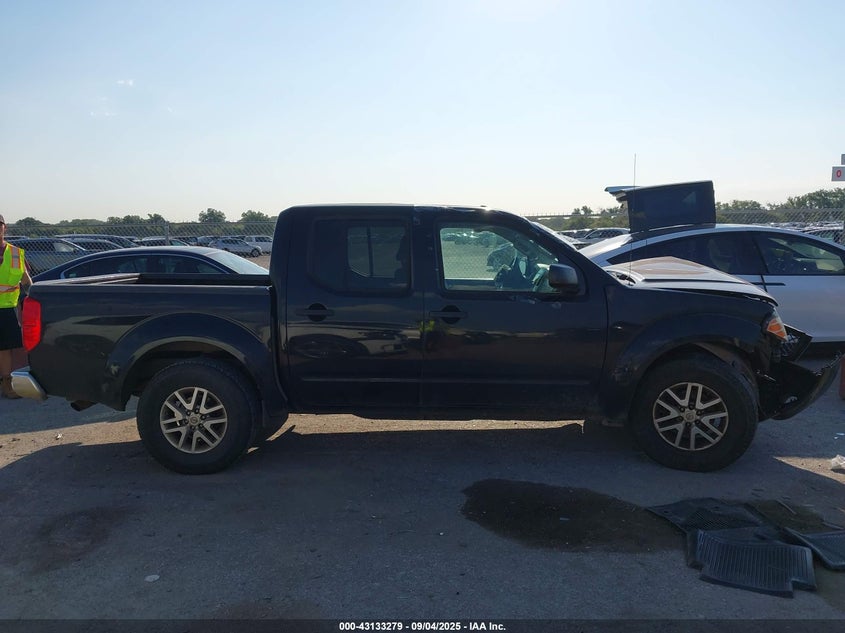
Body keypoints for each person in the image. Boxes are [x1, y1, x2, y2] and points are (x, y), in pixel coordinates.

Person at [0, 214, 32, 399]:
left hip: (8, 308)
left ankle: (7, 385)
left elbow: (26, 281)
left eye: (0, 225)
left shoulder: (15, 253)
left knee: (5, 348)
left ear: (5, 227)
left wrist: (34, 296)